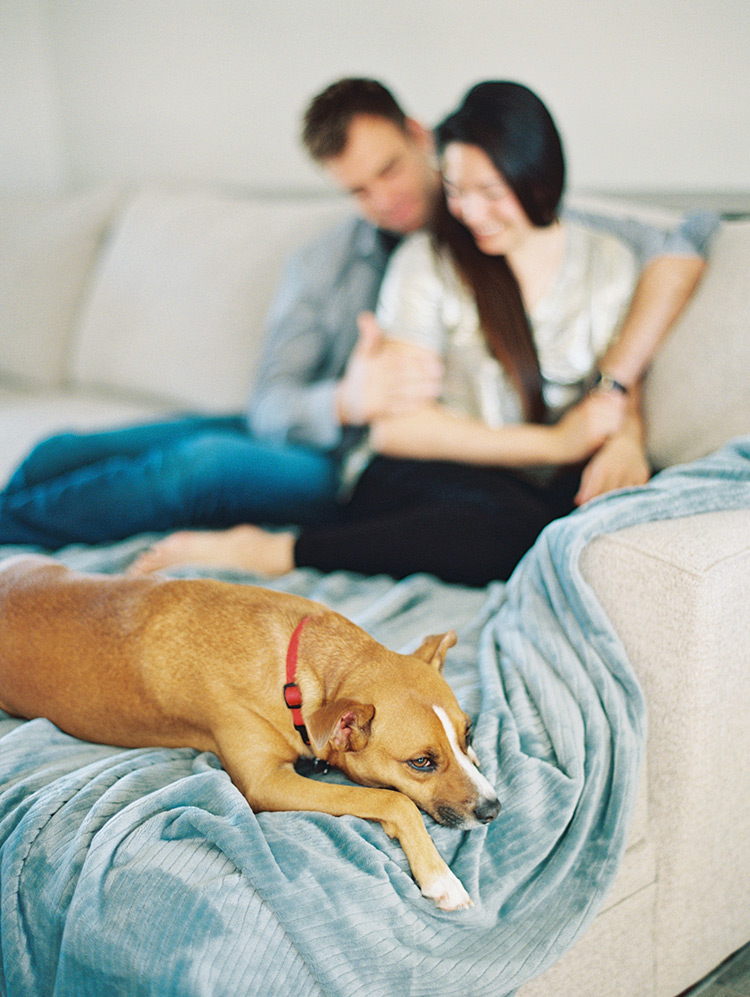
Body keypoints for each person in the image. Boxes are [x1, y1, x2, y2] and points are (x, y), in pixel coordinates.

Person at [0, 79, 708, 551]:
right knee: (80, 447)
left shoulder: (506, 211)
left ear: (419, 135)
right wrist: (348, 397)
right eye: (359, 191)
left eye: (391, 170)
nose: (385, 202)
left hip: (357, 465)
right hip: (325, 433)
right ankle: (31, 481)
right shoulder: (325, 264)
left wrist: (622, 414)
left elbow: (681, 243)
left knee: (195, 466)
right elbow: (271, 404)